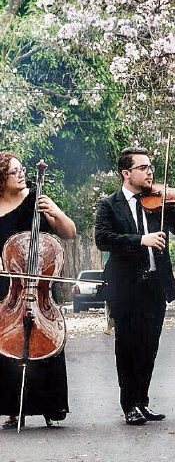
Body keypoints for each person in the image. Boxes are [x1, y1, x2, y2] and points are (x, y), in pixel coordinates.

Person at [95, 146, 175, 425]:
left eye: (151, 166)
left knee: (149, 347)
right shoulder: (109, 205)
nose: (150, 171)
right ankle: (129, 404)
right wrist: (141, 240)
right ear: (126, 173)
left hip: (155, 287)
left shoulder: (159, 203)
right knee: (127, 347)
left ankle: (142, 401)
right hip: (125, 286)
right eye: (143, 167)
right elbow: (103, 239)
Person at [0, 152, 76, 429]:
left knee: (44, 339)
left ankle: (50, 405)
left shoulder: (37, 200)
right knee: (7, 345)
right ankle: (11, 407)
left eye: (22, 170)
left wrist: (55, 212)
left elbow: (68, 232)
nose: (21, 175)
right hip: (8, 286)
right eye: (14, 172)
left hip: (38, 282)